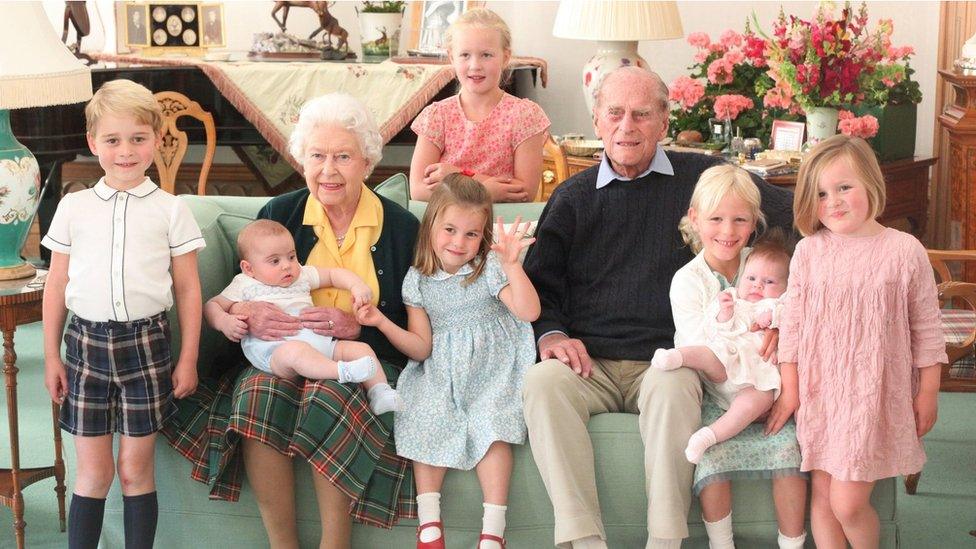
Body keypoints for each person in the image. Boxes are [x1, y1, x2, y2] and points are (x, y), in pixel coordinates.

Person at [521, 66, 794, 549]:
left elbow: (797, 215)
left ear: (664, 121)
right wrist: (553, 335)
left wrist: (787, 309)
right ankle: (582, 539)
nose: (627, 126)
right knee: (541, 383)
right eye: (616, 114)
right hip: (590, 364)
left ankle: (664, 541)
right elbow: (541, 285)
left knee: (672, 389)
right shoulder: (572, 198)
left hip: (666, 359)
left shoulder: (699, 177)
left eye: (642, 114)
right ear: (597, 120)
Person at [163, 93, 420, 547]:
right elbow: (238, 292)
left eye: (343, 156)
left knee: (329, 394)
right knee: (258, 394)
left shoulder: (400, 228)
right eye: (317, 156)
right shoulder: (279, 215)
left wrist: (360, 328)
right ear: (303, 159)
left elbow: (413, 319)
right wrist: (246, 313)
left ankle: (334, 543)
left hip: (360, 358)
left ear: (367, 161)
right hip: (276, 356)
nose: (329, 170)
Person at [41, 79, 204, 549]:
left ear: (157, 139)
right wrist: (51, 356)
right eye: (112, 140)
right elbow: (56, 285)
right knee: (93, 472)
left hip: (146, 347)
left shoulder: (172, 211)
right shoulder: (74, 207)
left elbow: (189, 289)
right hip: (84, 349)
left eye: (138, 138)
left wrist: (188, 356)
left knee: (135, 469)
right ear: (94, 144)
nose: (126, 151)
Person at [778, 135, 946, 548]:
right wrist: (791, 389)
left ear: (870, 183)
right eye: (820, 193)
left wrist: (929, 390)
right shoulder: (809, 252)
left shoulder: (904, 251)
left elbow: (926, 327)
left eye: (843, 188)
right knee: (823, 497)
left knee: (848, 502)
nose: (832, 201)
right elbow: (793, 329)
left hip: (872, 397)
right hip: (822, 394)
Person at [356, 175, 539, 549]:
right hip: (443, 367)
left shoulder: (488, 266)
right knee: (425, 412)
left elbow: (528, 312)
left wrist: (512, 265)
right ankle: (430, 528)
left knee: (492, 424)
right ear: (431, 226)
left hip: (494, 367)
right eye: (450, 230)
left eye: (471, 234)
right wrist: (381, 322)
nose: (459, 242)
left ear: (483, 236)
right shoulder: (417, 281)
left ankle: (492, 532)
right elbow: (421, 348)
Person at [664, 167, 808, 549]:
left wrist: (780, 326)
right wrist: (730, 318)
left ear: (754, 222)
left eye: (740, 220)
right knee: (709, 460)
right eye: (716, 219)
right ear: (695, 219)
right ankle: (721, 544)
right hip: (720, 392)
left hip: (769, 387)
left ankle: (792, 543)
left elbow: (796, 303)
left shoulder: (763, 263)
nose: (728, 231)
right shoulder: (688, 280)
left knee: (789, 450)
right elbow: (705, 350)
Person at [204, 219, 400, 414]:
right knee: (297, 352)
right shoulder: (244, 283)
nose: (287, 266)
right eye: (275, 261)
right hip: (276, 352)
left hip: (320, 343)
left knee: (361, 349)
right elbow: (212, 305)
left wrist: (356, 286)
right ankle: (340, 371)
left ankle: (380, 392)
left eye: (291, 256)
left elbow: (333, 274)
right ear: (249, 268)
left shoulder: (302, 276)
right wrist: (224, 321)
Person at [654, 229, 792, 464]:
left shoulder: (780, 304)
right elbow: (714, 330)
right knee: (708, 354)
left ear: (785, 286)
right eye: (751, 279)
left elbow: (795, 321)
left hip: (757, 380)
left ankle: (708, 437)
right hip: (725, 364)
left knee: (756, 402)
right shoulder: (732, 298)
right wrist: (725, 313)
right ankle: (674, 357)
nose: (757, 286)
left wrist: (775, 320)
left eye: (768, 282)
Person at [409, 8, 550, 203]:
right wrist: (485, 191)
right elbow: (417, 190)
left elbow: (524, 192)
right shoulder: (437, 116)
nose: (475, 65)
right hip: (450, 230)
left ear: (505, 57)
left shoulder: (524, 116)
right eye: (465, 55)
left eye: (486, 55)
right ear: (452, 57)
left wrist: (459, 176)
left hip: (504, 228)